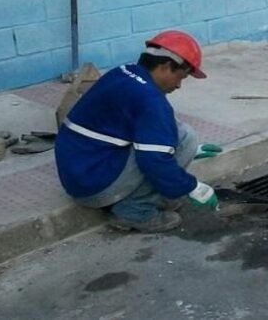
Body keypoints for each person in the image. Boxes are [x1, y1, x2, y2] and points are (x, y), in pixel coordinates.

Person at [54, 30, 222, 233]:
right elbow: (155, 161)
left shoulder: (123, 73)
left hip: (80, 171)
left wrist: (190, 150)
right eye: (181, 77)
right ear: (166, 66)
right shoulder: (150, 100)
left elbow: (145, 125)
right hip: (93, 185)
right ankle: (134, 211)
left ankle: (156, 197)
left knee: (180, 135)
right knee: (181, 139)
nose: (178, 85)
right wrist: (193, 187)